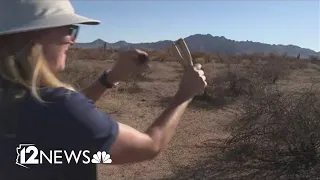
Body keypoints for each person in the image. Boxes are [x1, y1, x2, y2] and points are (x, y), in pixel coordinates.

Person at [0, 1, 207, 180]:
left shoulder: (19, 99)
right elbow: (150, 146)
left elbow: (61, 121)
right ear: (36, 36)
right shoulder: (59, 107)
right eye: (69, 29)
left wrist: (111, 78)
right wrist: (185, 94)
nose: (73, 40)